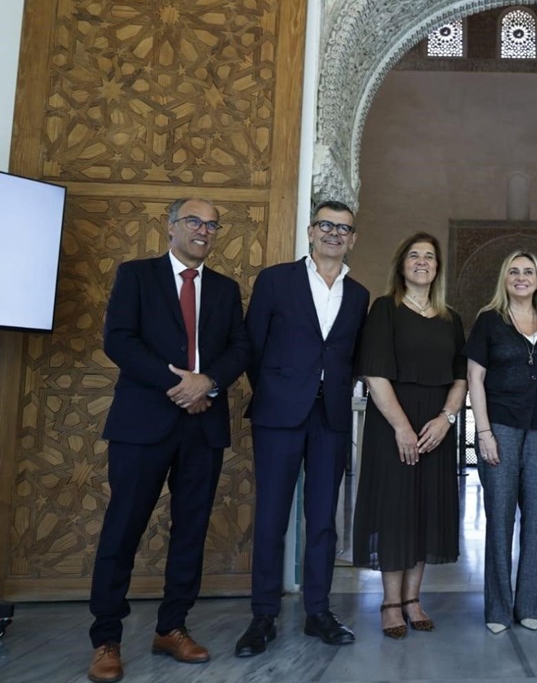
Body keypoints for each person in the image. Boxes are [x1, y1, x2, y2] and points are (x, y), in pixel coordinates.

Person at [87, 198, 249, 683]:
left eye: (213, 225)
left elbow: (240, 347)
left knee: (191, 530)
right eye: (194, 221)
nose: (204, 230)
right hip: (143, 423)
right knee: (123, 528)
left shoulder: (225, 289)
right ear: (171, 226)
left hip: (203, 425)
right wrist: (179, 385)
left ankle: (172, 627)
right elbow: (119, 340)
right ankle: (106, 637)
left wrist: (208, 383)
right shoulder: (137, 275)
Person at [233, 200, 370, 656]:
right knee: (271, 516)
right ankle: (263, 615)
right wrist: (279, 391)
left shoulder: (359, 295)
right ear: (311, 232)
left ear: (353, 239)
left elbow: (352, 356)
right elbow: (252, 345)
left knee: (323, 520)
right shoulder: (276, 280)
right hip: (278, 414)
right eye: (326, 225)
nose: (334, 233)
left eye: (343, 228)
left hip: (331, 417)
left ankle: (318, 611)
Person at [353, 232, 468, 639]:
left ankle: (414, 599)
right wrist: (402, 426)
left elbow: (461, 376)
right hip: (392, 424)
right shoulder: (385, 309)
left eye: (430, 256)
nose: (422, 262)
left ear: (438, 267)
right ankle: (390, 603)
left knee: (425, 510)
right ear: (402, 265)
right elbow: (374, 372)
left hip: (436, 426)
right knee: (395, 509)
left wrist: (446, 419)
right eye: (414, 255)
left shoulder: (451, 318)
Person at [466, 251, 537, 634]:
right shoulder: (489, 320)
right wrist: (484, 433)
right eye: (514, 271)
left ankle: (530, 604)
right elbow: (475, 378)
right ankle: (498, 608)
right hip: (501, 429)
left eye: (528, 271)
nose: (521, 277)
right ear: (505, 279)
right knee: (500, 519)